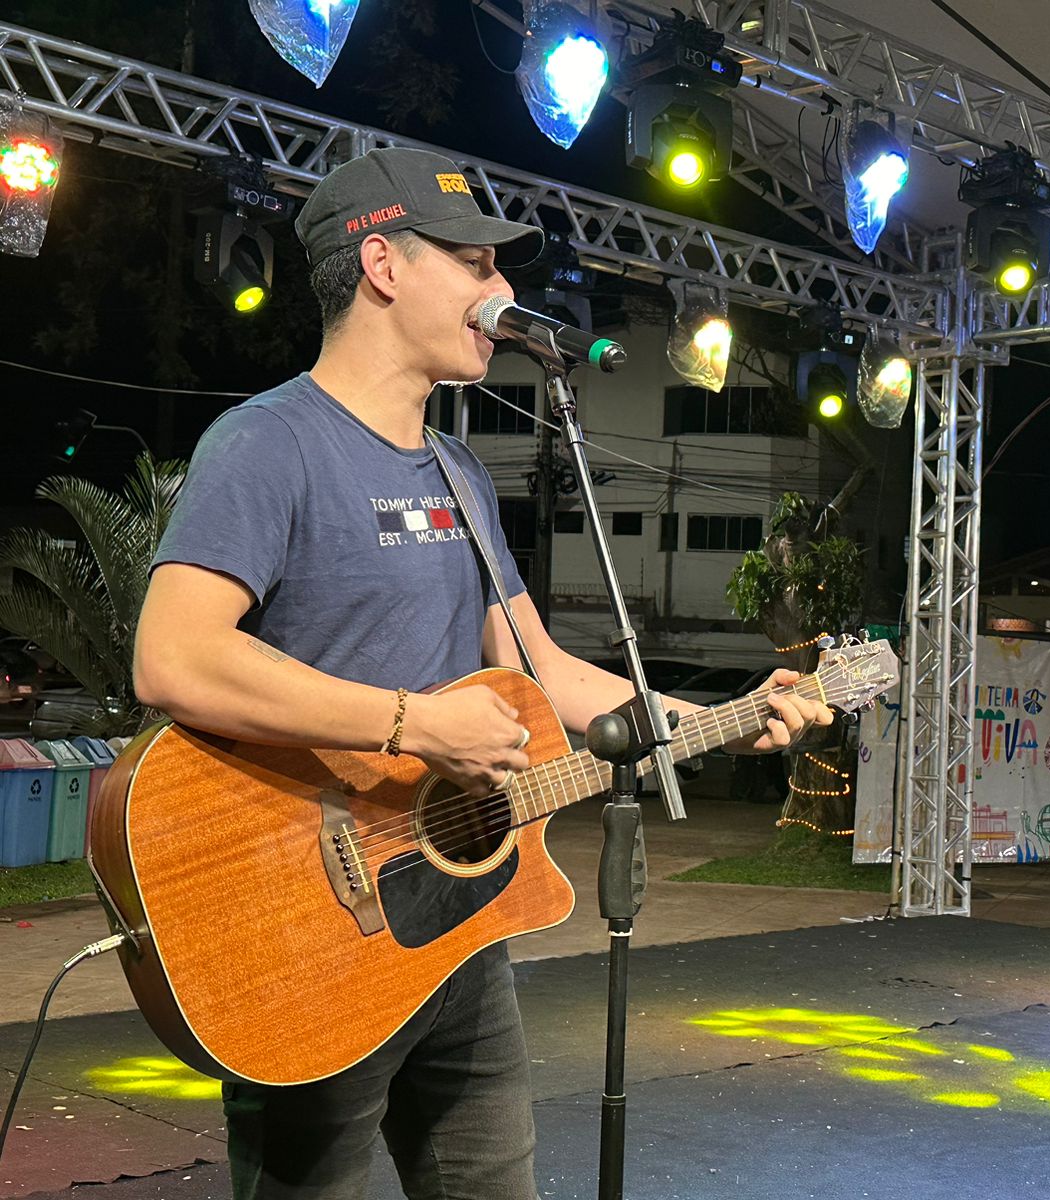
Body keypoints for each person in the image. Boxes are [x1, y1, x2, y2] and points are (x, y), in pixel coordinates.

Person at [131, 146, 831, 1200]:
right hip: (308, 924)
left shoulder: (459, 470)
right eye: (470, 262)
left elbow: (540, 672)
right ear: (382, 266)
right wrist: (413, 723)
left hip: (462, 931)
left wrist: (723, 715)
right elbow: (173, 657)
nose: (500, 292)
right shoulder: (269, 444)